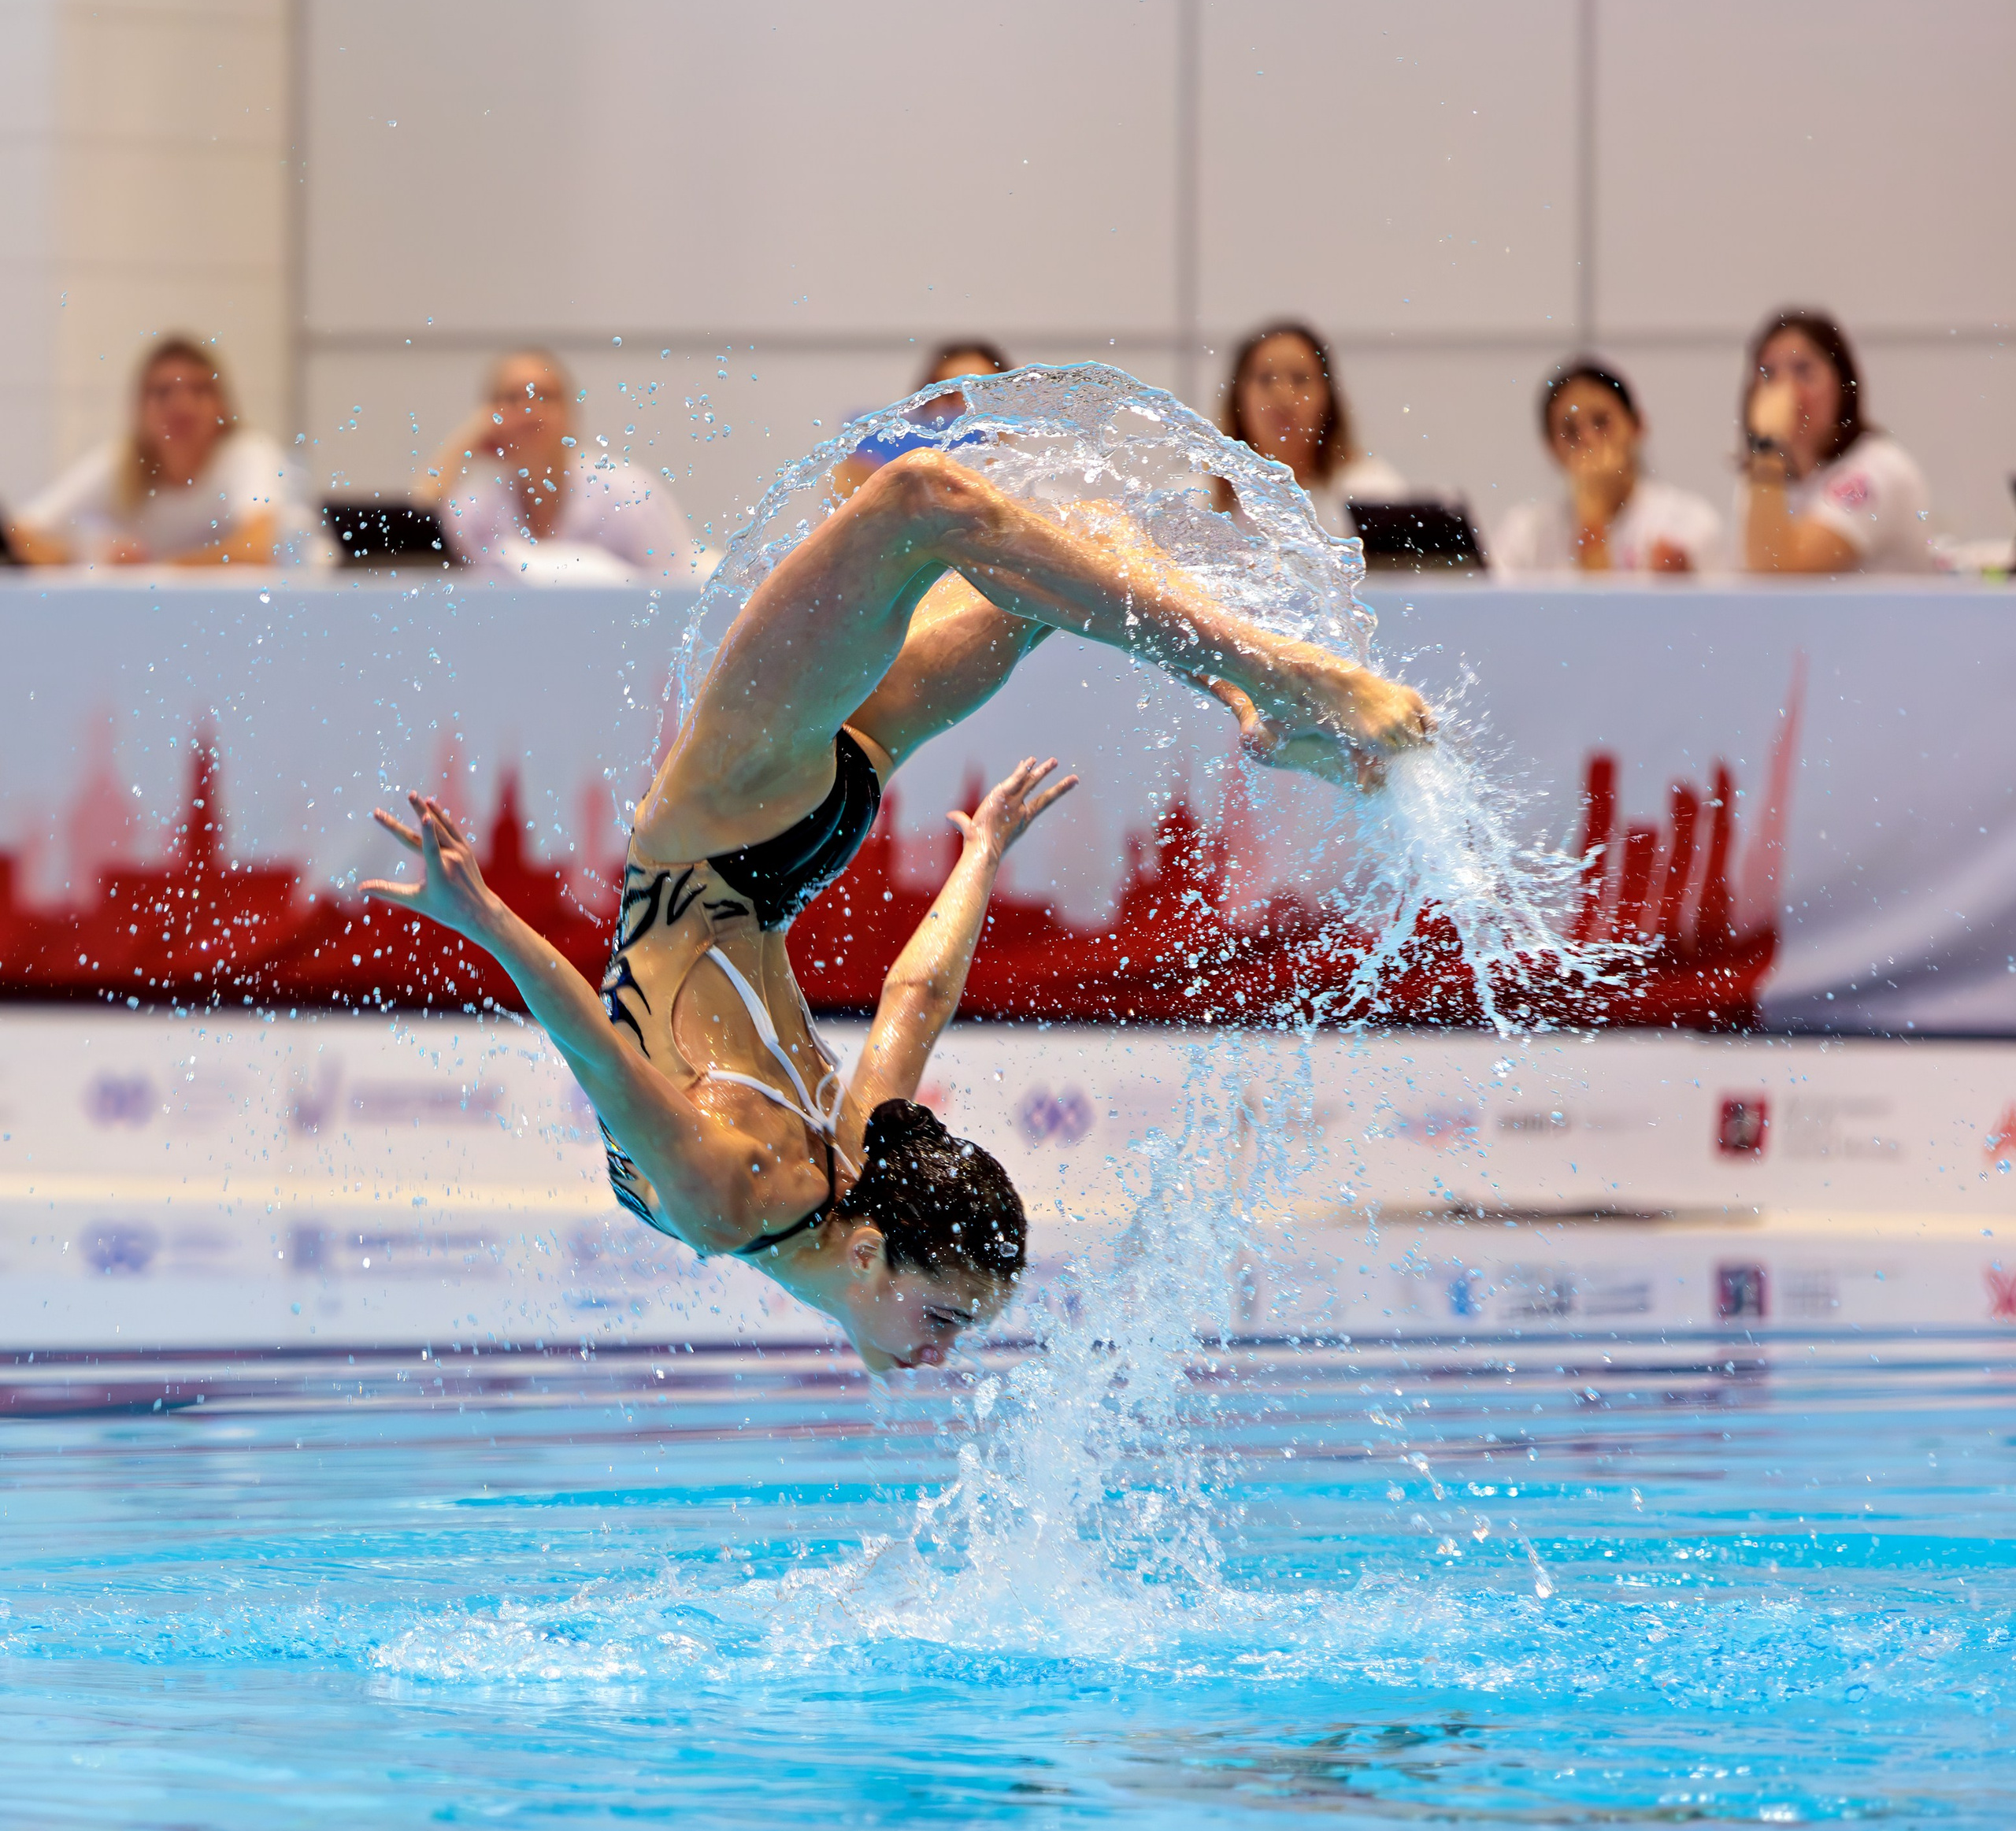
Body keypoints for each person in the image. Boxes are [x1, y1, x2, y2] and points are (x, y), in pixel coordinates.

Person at [362, 447, 1433, 1371]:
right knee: (968, 517)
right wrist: (981, 857)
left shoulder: (759, 1187)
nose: (942, 1353)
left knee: (983, 521)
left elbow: (602, 1055)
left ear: (872, 1250)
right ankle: (1268, 688)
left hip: (771, 830)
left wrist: (487, 919)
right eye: (949, 1321)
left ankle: (1262, 692)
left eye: (947, 1321)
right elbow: (911, 998)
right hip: (743, 829)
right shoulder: (813, 1188)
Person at [10, 335, 313, 568]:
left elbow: (258, 549)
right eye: (163, 392)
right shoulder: (123, 464)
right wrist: (89, 558)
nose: (182, 406)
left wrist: (156, 570)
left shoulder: (247, 455)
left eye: (199, 390)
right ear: (140, 409)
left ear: (222, 405)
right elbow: (19, 535)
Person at [418, 348, 700, 577]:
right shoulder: (480, 507)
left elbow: (680, 595)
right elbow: (413, 539)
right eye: (513, 399)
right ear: (490, 418)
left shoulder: (629, 496)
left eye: (545, 396)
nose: (530, 411)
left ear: (571, 415)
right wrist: (460, 446)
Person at [1736, 309, 1930, 575]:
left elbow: (1780, 572)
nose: (1786, 392)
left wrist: (1767, 444)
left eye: (1803, 371)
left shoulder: (1877, 470)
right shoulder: (1765, 479)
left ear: (1842, 385)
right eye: (1768, 374)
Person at [1492, 359, 1722, 576]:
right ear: (1551, 447)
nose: (1588, 440)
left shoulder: (1686, 523)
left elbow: (1604, 605)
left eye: (1601, 422)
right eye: (1570, 431)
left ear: (1637, 425)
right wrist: (1591, 516)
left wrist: (1592, 516)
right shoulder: (1524, 534)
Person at [1215, 323, 1406, 534]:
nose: (1283, 397)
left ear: (1327, 397)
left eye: (1299, 379)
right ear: (1238, 399)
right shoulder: (1201, 497)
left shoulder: (1371, 491)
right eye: (1265, 379)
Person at [834, 342, 1014, 495]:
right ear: (926, 403)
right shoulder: (876, 470)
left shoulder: (1024, 490)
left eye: (981, 395)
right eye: (950, 395)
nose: (967, 408)